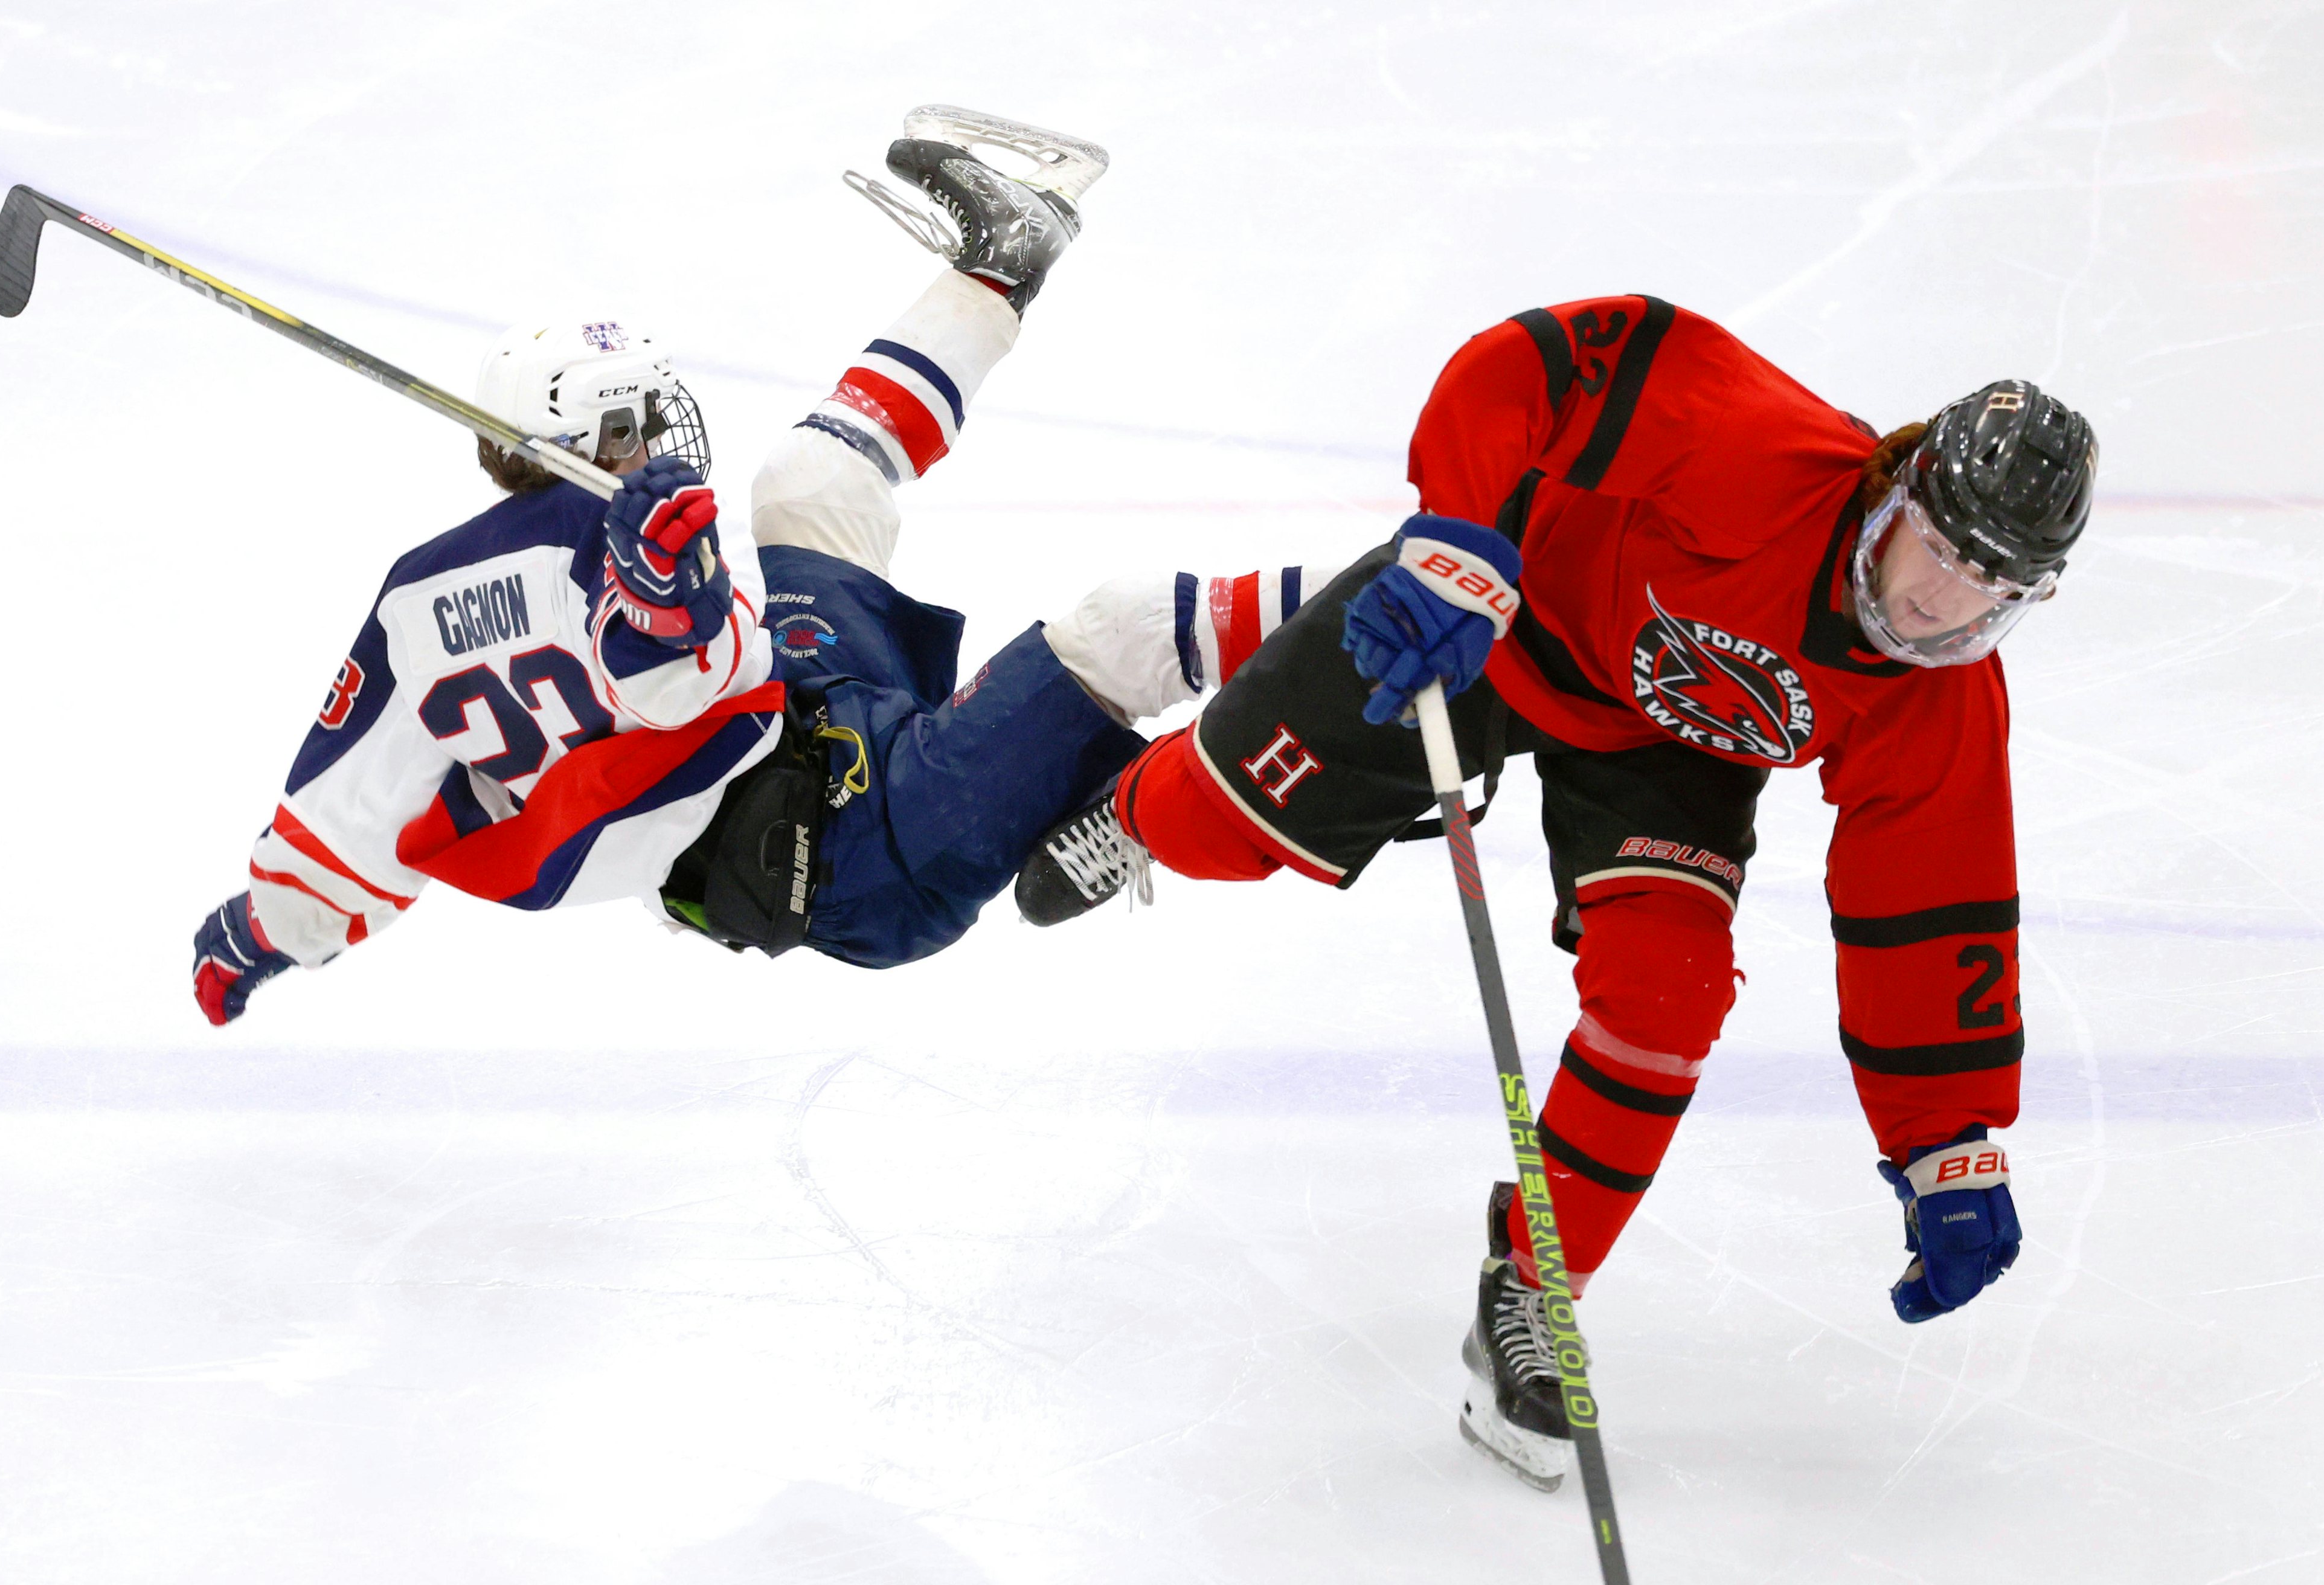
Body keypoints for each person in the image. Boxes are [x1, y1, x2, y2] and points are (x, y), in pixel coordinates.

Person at [1015, 295, 2097, 1489]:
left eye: (1990, 590)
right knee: (1216, 823)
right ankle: (1141, 804)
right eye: (1936, 554)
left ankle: (1531, 1289)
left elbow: (1928, 900)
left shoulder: (1936, 691)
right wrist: (1454, 547)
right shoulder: (1762, 452)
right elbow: (1527, 370)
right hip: (1504, 627)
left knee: (1669, 995)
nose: (1940, 607)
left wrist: (1946, 1142)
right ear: (1897, 492)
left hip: (1672, 743)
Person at [191, 105, 1341, 1022]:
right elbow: (687, 684)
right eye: (640, 417)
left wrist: (256, 935)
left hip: (809, 724)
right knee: (1122, 627)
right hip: (856, 856)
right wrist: (662, 605)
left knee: (806, 487)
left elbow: (345, 813)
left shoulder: (419, 594)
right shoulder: (612, 553)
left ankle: (1002, 262)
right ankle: (1348, 631)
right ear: (590, 445)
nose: (666, 432)